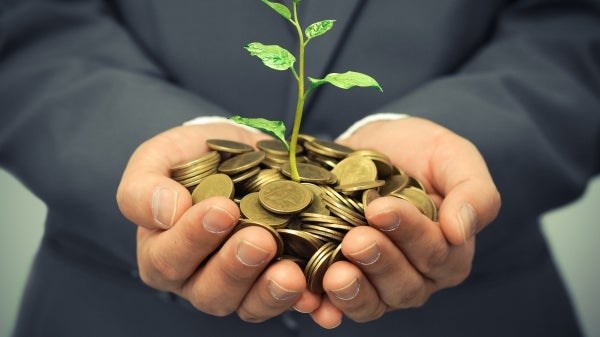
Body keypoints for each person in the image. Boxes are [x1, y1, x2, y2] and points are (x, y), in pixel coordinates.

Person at [0, 0, 598, 336]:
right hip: (111, 313)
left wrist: (462, 147)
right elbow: (27, 27)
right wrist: (158, 151)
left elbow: (575, 28)